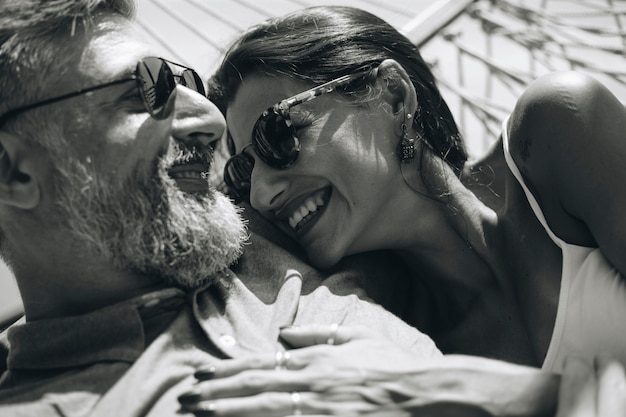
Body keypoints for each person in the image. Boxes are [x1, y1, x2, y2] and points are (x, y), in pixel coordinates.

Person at [0, 0, 456, 415]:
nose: (211, 118)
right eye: (142, 92)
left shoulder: (254, 227)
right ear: (12, 171)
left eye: (186, 83)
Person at [208, 5, 626, 372]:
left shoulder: (554, 134)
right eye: (243, 173)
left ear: (392, 95)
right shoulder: (385, 333)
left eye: (277, 134)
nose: (261, 193)